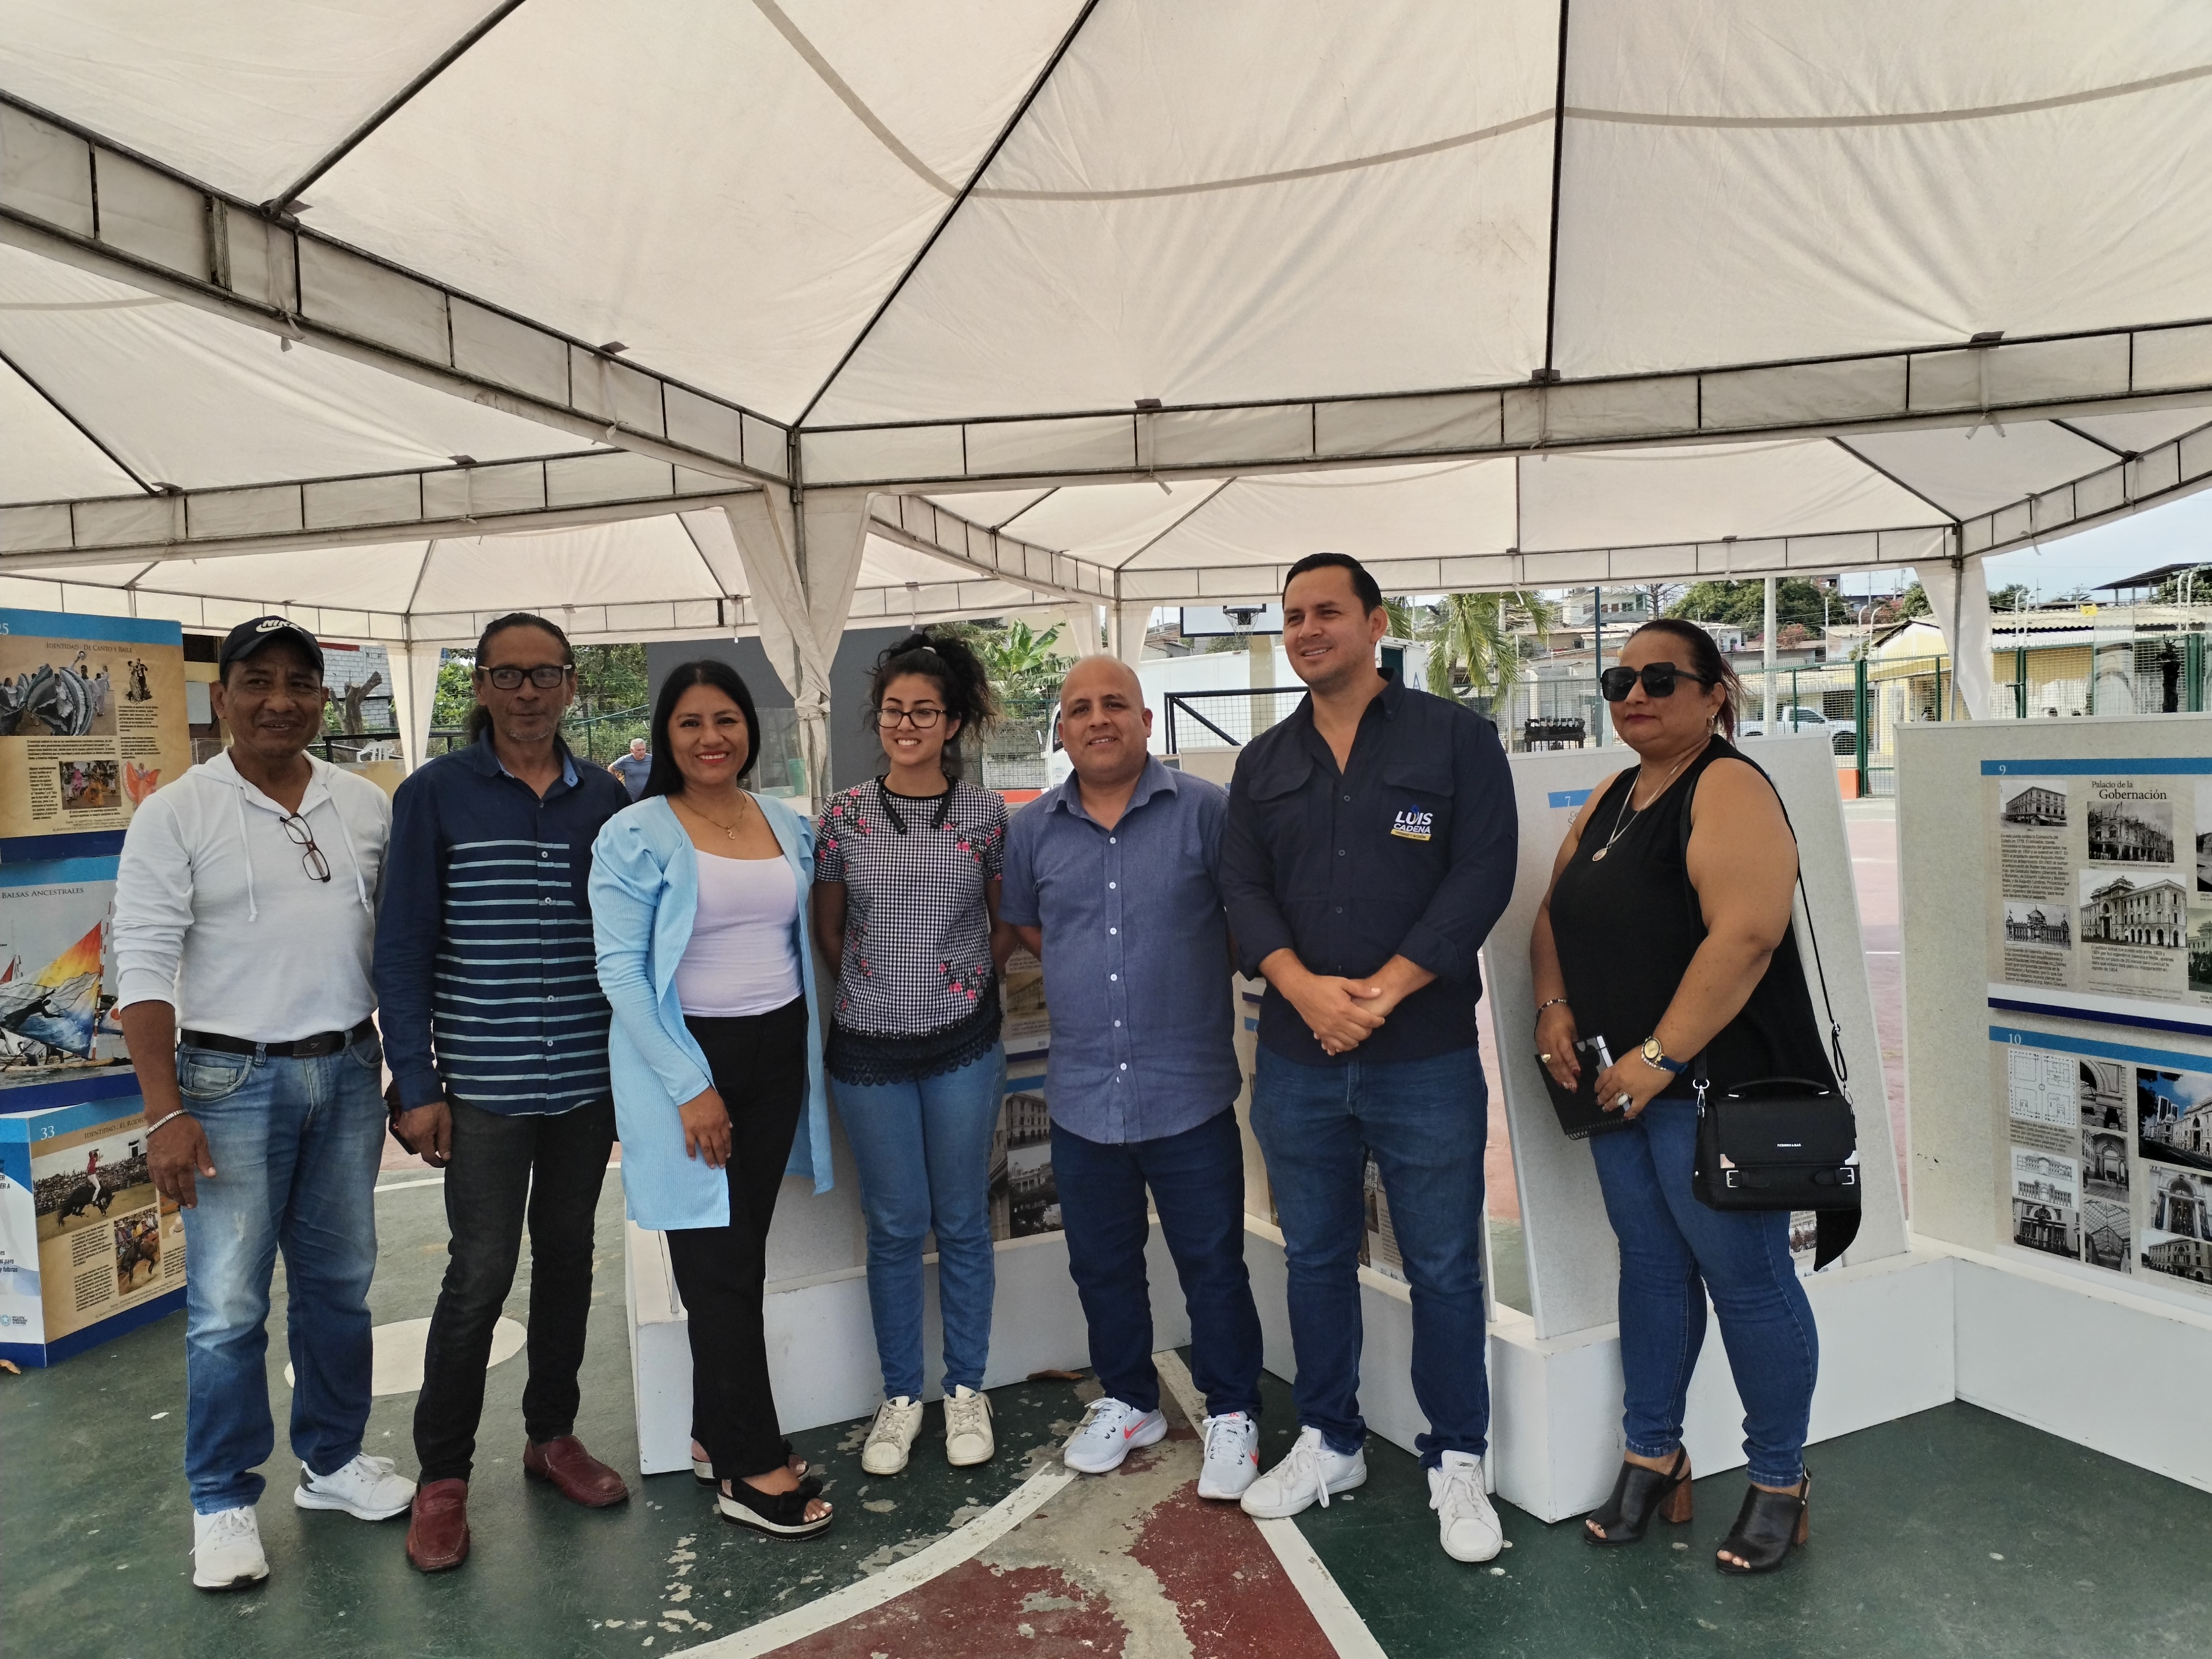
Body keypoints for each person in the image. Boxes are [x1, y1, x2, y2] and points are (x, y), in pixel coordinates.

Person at [1219, 553, 1518, 1564]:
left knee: (1443, 1265)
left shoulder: (1456, 739)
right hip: (1298, 1057)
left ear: (1376, 622)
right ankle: (1330, 1440)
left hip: (1423, 1055)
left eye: (1327, 612)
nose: (1307, 631)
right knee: (1314, 1258)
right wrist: (1304, 991)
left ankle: (1458, 1457)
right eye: (1292, 616)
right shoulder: (1263, 762)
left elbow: (1481, 874)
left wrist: (1385, 991)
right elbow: (1242, 890)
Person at [113, 614, 409, 1592]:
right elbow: (142, 966)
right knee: (227, 1306)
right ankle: (222, 1499)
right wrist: (165, 1113)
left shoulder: (360, 805)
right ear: (221, 698)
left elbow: (395, 947)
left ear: (323, 697)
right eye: (258, 682)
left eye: (300, 683)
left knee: (339, 1286)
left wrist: (415, 1067)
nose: (280, 700)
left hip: (347, 1071)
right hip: (226, 1083)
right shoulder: (176, 813)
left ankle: (332, 1462)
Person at [1528, 617, 1830, 1575]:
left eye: (1660, 679)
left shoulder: (1728, 785)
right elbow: (1553, 915)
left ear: (1714, 694)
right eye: (1619, 681)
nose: (1635, 695)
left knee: (1747, 1279)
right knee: (1652, 1270)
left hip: (1711, 1088)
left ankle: (1778, 1480)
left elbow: (1746, 935)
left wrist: (1658, 1056)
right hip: (1618, 1089)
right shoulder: (1613, 794)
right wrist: (1552, 1004)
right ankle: (1653, 1455)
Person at [375, 613, 634, 1574]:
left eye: (546, 674)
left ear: (571, 685)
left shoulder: (603, 798)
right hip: (482, 1087)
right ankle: (443, 1477)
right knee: (479, 1274)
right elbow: (401, 948)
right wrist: (417, 1082)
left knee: (569, 1259)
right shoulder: (434, 795)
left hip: (584, 1086)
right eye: (509, 675)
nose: (529, 692)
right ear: (479, 686)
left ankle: (551, 1436)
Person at [1000, 657, 1264, 1498]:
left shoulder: (1207, 812)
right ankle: (1128, 1400)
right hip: (1083, 1095)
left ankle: (1232, 1410)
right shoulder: (1031, 830)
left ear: (1146, 720)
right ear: (1062, 731)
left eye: (1114, 703)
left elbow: (1241, 926)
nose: (1097, 719)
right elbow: (1033, 929)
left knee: (1212, 1263)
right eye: (1079, 708)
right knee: (1102, 1265)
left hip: (1188, 1090)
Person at [592, 660, 837, 1537]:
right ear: (665, 735)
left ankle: (711, 1433)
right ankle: (749, 1465)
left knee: (736, 1258)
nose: (710, 738)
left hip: (776, 1054)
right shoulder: (635, 832)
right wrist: (692, 1086)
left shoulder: (783, 821)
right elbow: (621, 971)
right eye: (690, 722)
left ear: (748, 729)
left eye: (726, 719)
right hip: (687, 1064)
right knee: (717, 1268)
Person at [813, 632, 1014, 1477]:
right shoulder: (843, 816)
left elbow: (1004, 921)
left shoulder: (986, 815)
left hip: (963, 1047)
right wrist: (878, 992)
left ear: (952, 723)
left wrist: (963, 985)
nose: (906, 724)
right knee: (894, 1227)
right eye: (894, 710)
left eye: (924, 712)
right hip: (869, 1054)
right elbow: (829, 929)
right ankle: (901, 1397)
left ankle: (966, 1387)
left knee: (962, 1220)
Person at [609, 736, 653, 801]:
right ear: (632, 750)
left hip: (649, 798)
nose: (642, 752)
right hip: (632, 800)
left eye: (643, 749)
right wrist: (617, 783)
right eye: (639, 750)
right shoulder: (625, 761)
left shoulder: (652, 759)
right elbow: (611, 768)